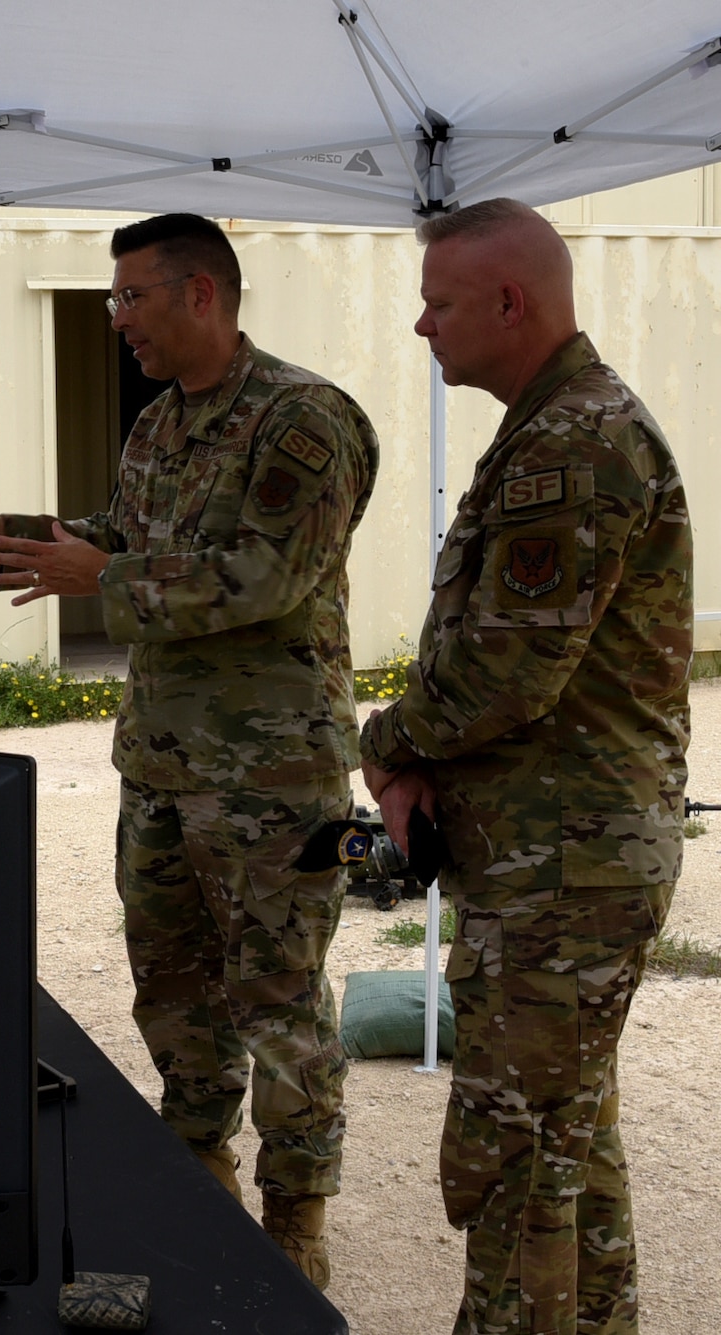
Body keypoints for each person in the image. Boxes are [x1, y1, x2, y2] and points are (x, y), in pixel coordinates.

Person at [0, 213, 378, 1289]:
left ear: (200, 294)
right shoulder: (157, 426)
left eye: (130, 297)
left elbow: (268, 574)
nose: (115, 318)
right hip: (162, 767)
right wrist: (19, 534)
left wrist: (101, 582)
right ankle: (199, 1181)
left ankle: (293, 1222)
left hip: (272, 780)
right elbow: (126, 537)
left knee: (278, 1000)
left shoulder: (304, 421)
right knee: (172, 993)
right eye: (112, 299)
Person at [360, 198, 690, 1335]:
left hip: (565, 871)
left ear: (509, 303)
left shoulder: (573, 442)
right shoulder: (549, 426)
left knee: (512, 1161)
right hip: (556, 858)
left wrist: (386, 742)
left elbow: (506, 672)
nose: (419, 327)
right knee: (563, 1141)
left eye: (437, 304)